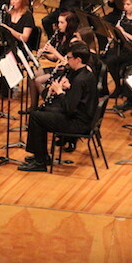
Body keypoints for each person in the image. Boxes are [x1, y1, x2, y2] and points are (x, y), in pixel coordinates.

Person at [18, 42, 98, 171]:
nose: (67, 60)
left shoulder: (79, 80)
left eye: (70, 58)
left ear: (78, 59)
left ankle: (40, 162)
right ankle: (42, 155)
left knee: (36, 117)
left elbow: (69, 109)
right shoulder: (85, 74)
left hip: (78, 123)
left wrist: (60, 92)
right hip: (82, 117)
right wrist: (68, 88)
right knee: (41, 111)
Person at [29, 11, 79, 110]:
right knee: (32, 75)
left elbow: (68, 62)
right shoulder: (63, 36)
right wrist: (45, 54)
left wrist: (53, 51)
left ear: (69, 24)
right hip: (59, 67)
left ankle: (48, 104)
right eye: (58, 22)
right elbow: (55, 58)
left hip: (66, 71)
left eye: (62, 23)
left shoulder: (74, 40)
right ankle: (33, 107)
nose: (58, 25)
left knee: (38, 80)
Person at [103, 0, 132, 98]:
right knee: (108, 60)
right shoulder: (123, 16)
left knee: (114, 61)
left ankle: (125, 89)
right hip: (121, 47)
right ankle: (118, 86)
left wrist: (123, 32)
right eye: (124, 4)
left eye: (128, 4)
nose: (125, 7)